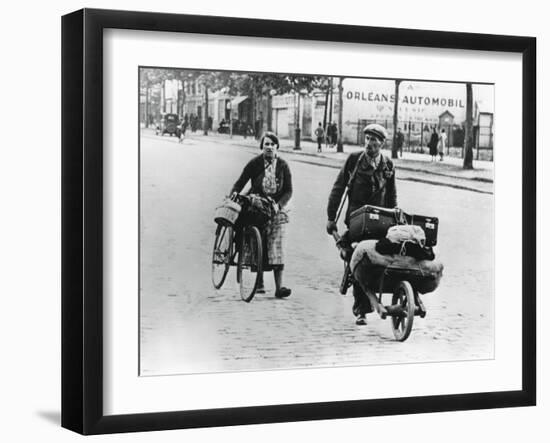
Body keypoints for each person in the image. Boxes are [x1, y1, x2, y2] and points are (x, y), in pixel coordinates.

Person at [326, 123, 397, 325]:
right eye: (367, 139)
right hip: (357, 220)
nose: (369, 144)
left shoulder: (388, 164)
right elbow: (338, 188)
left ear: (382, 144)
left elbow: (392, 196)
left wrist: (394, 220)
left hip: (380, 221)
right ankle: (361, 310)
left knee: (384, 255)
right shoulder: (354, 160)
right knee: (359, 256)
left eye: (374, 140)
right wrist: (331, 217)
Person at [230, 132, 293, 298]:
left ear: (277, 147)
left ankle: (279, 287)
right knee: (257, 240)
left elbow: (288, 190)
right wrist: (234, 194)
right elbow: (241, 181)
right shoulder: (255, 163)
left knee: (277, 245)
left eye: (273, 144)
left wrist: (279, 205)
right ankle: (259, 282)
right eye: (266, 144)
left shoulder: (283, 166)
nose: (270, 147)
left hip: (276, 207)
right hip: (257, 205)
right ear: (262, 147)